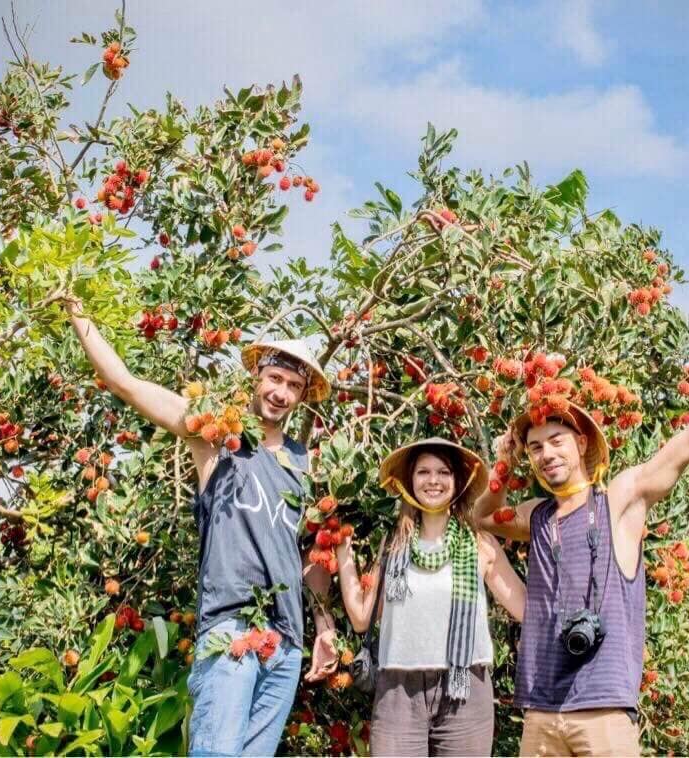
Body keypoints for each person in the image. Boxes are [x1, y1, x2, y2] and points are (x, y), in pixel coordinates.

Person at [473, 311, 689, 756]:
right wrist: (504, 461)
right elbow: (483, 519)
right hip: (541, 711)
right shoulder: (537, 516)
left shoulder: (619, 502)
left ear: (581, 443)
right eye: (535, 447)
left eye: (556, 441)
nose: (546, 454)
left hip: (604, 712)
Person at [63, 296, 337, 756]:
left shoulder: (304, 465)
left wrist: (324, 627)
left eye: (293, 385)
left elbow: (311, 556)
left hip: (287, 645)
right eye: (274, 378)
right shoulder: (218, 439)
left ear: (302, 395)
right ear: (257, 377)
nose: (281, 393)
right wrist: (76, 311)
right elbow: (125, 383)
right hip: (231, 628)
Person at [335, 437, 527, 756]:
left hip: (466, 687)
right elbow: (360, 618)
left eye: (443, 472)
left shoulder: (480, 544)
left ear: (458, 482)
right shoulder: (394, 545)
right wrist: (342, 550)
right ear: (410, 481)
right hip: (398, 690)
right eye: (423, 472)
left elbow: (525, 609)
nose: (433, 480)